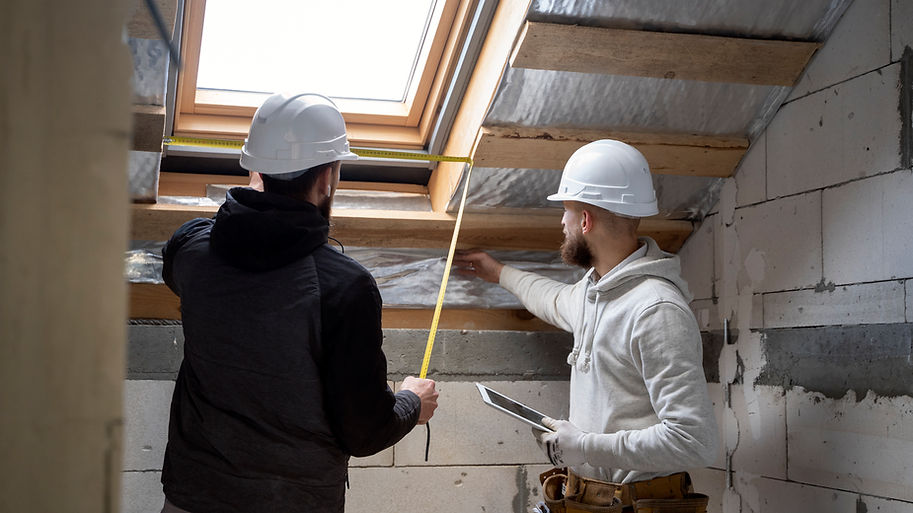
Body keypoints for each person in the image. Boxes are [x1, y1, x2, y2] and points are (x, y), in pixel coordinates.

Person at [160, 93, 438, 513]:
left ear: (256, 169)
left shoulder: (192, 253)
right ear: (327, 177)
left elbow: (191, 251)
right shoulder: (346, 287)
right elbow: (364, 431)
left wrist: (251, 208)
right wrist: (412, 402)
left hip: (191, 496)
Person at [455, 140, 717, 512]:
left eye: (566, 211)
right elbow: (553, 299)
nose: (562, 223)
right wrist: (497, 272)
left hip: (636, 505)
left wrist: (584, 445)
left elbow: (695, 440)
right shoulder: (596, 291)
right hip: (591, 499)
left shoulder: (656, 310)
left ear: (586, 220)